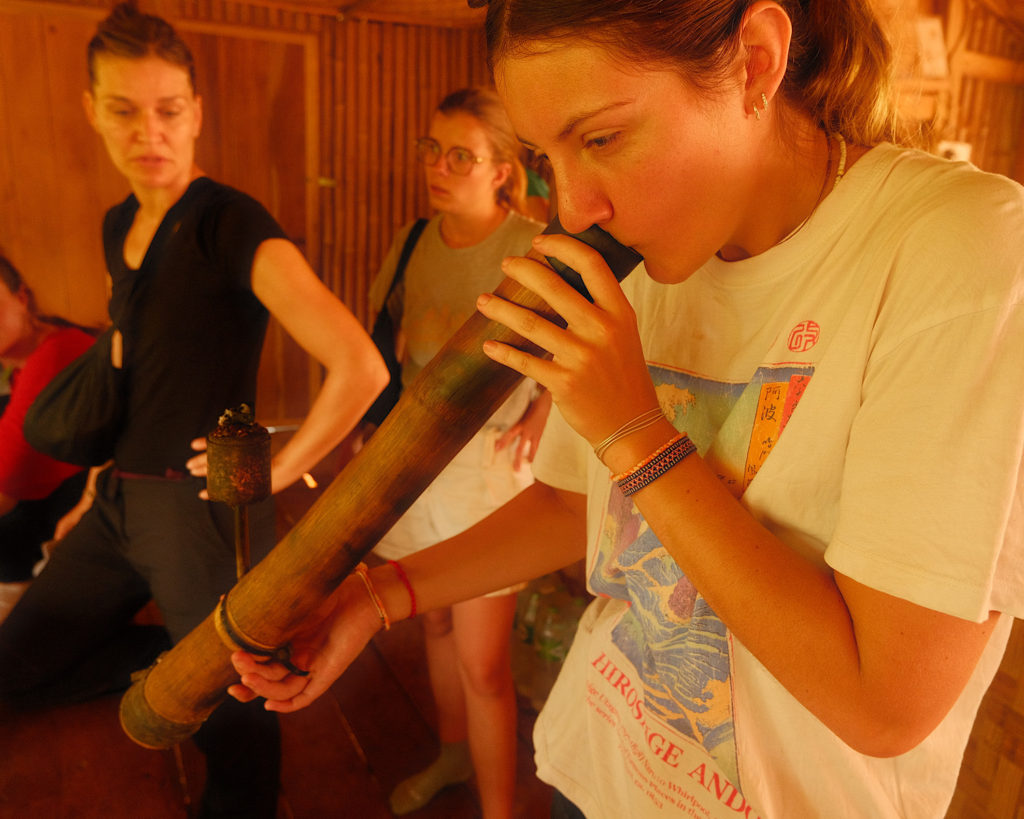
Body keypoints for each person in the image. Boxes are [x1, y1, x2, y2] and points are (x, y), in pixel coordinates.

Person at [228, 2, 1024, 817]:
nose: (573, 210)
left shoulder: (959, 248)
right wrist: (376, 596)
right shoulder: (646, 256)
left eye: (602, 138)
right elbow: (577, 505)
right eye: (547, 158)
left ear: (754, 60)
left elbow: (884, 702)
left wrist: (635, 432)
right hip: (597, 764)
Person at [0, 4, 388, 819]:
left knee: (235, 714)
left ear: (197, 113)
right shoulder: (119, 226)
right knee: (17, 663)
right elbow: (138, 371)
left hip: (198, 506)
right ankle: (161, 657)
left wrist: (278, 468)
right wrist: (90, 491)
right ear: (91, 111)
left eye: (170, 109)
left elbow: (360, 364)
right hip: (117, 500)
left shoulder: (227, 223)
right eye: (124, 109)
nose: (151, 131)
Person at [367, 86, 550, 818]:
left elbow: (588, 337)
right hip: (419, 464)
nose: (437, 168)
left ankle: (499, 807)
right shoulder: (414, 240)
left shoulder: (528, 248)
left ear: (503, 170)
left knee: (482, 661)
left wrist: (547, 407)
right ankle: (450, 752)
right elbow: (385, 348)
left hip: (487, 468)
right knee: (434, 621)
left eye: (460, 156)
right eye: (431, 150)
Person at [0, 254, 96, 621]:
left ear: (22, 297)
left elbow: (4, 487)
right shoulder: (28, 361)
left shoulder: (56, 355)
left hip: (67, 526)